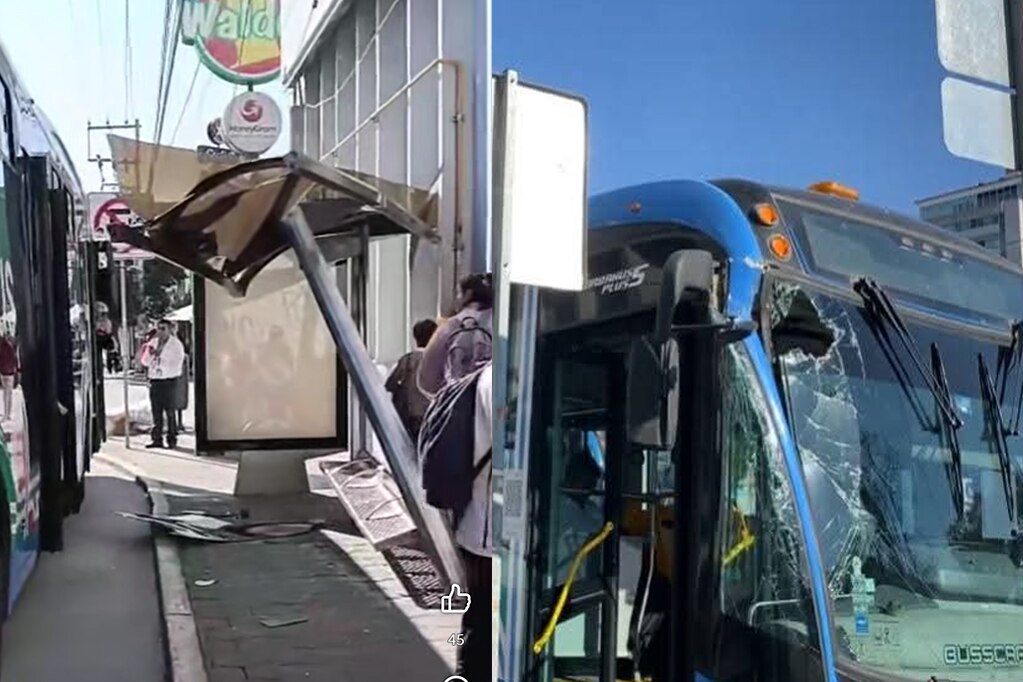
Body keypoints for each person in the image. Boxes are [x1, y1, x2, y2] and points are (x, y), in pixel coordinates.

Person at [455, 360, 492, 681]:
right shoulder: (498, 378)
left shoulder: (485, 376)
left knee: (474, 615)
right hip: (487, 529)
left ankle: (465, 670)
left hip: (476, 522)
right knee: (479, 617)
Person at [418, 273, 493, 398]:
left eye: (458, 294)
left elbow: (427, 382)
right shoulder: (503, 326)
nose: (456, 299)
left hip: (456, 405)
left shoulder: (449, 326)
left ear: (468, 294)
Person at [384, 318, 438, 441]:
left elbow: (390, 385)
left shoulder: (408, 360)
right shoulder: (439, 359)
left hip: (410, 413)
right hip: (432, 412)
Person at [141, 319, 186, 449]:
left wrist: (161, 358)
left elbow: (177, 363)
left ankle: (172, 439)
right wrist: (150, 355)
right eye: (158, 328)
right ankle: (157, 439)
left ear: (169, 330)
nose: (160, 332)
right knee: (156, 411)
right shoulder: (153, 343)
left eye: (163, 328)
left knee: (170, 411)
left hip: (169, 381)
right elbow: (145, 362)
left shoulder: (176, 345)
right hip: (155, 380)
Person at [0, 330, 18, 421]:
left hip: (3, 372)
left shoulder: (1, 347)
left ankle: (6, 414)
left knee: (5, 394)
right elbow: (14, 358)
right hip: (10, 372)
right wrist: (16, 369)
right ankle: (8, 413)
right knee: (9, 394)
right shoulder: (11, 347)